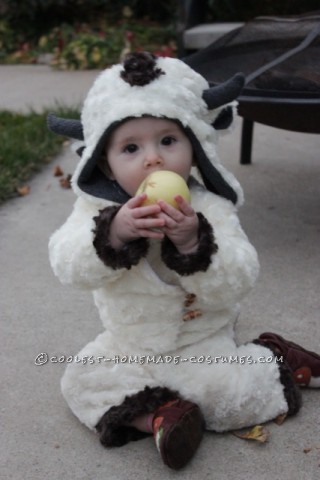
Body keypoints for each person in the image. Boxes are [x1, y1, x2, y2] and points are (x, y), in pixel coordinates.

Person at [48, 52, 320, 470]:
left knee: (223, 394)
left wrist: (196, 242)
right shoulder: (94, 211)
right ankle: (161, 416)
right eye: (131, 147)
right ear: (104, 159)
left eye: (168, 141)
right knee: (81, 381)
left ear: (195, 145)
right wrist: (113, 234)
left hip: (202, 339)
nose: (153, 159)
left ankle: (272, 360)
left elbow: (242, 274)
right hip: (130, 342)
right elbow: (67, 264)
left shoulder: (209, 207)